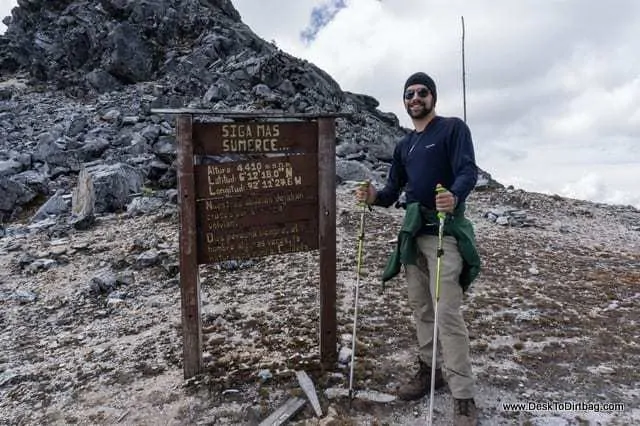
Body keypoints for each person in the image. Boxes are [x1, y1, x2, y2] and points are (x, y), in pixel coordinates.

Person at [356, 72, 481, 426]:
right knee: (421, 308)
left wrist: (453, 196)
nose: (415, 98)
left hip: (445, 233)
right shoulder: (404, 145)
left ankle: (463, 395)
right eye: (409, 93)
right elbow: (393, 190)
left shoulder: (453, 129)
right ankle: (430, 373)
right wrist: (373, 198)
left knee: (447, 312)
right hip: (414, 235)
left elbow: (467, 171)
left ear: (433, 97)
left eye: (421, 92)